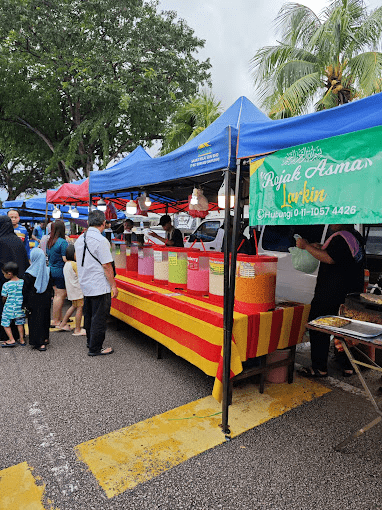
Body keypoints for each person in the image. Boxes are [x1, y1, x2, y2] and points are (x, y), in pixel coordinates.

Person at [297, 224, 365, 378]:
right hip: (350, 294)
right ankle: (347, 366)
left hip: (331, 293)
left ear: (343, 220)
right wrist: (319, 246)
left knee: (318, 326)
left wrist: (306, 246)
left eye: (334, 218)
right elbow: (339, 253)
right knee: (344, 330)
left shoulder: (341, 237)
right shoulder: (354, 236)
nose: (331, 221)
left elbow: (330, 258)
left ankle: (319, 368)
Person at [75, 210, 118, 356]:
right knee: (99, 318)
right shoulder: (101, 240)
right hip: (99, 285)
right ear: (104, 223)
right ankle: (95, 348)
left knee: (89, 315)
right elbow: (107, 266)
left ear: (88, 222)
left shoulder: (80, 239)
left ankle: (90, 342)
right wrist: (113, 285)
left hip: (85, 283)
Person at [0, 216, 29, 343]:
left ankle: (5, 336)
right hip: (19, 280)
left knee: (4, 309)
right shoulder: (17, 240)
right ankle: (19, 336)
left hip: (4, 281)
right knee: (17, 310)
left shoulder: (1, 241)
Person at [22, 248, 53, 351]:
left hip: (33, 300)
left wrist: (24, 304)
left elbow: (25, 291)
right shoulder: (47, 271)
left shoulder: (29, 273)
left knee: (35, 320)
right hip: (45, 299)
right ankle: (45, 338)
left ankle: (38, 343)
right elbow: (50, 286)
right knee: (44, 318)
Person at [60, 244, 86, 336]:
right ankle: (77, 329)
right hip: (77, 290)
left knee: (73, 306)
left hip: (71, 290)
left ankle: (63, 324)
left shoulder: (66, 264)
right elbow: (81, 277)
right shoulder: (74, 264)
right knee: (79, 308)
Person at [46, 220, 69, 327]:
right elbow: (65, 258)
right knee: (60, 295)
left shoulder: (50, 241)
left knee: (56, 295)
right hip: (60, 271)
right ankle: (56, 320)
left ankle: (58, 319)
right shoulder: (62, 242)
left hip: (51, 270)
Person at [1, 262, 26, 347]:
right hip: (20, 308)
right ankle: (22, 340)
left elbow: (4, 297)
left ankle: (11, 339)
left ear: (9, 274)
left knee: (5, 323)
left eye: (4, 274)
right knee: (20, 323)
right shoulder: (23, 282)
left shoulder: (6, 285)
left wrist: (4, 302)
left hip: (9, 308)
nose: (4, 276)